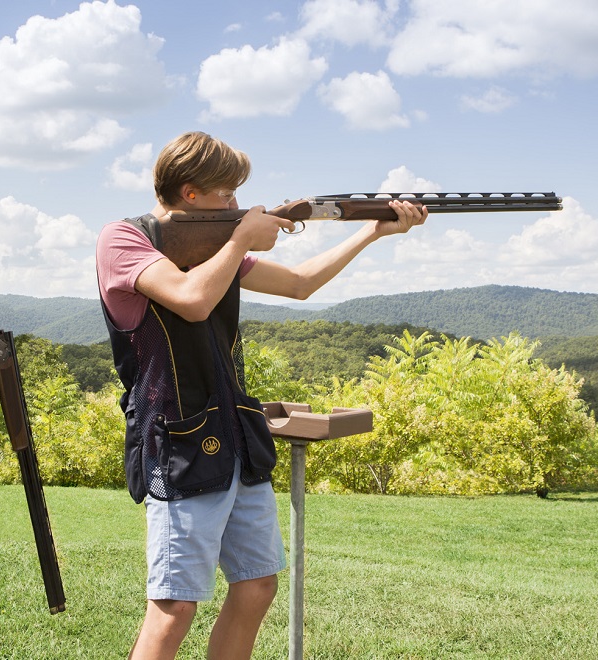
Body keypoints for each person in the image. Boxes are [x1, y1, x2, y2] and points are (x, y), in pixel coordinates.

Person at [96, 131, 427, 659]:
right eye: (227, 195)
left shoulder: (217, 247)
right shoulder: (124, 238)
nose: (236, 205)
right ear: (190, 194)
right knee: (175, 604)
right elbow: (192, 299)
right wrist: (240, 239)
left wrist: (371, 233)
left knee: (256, 584)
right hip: (176, 443)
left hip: (234, 436)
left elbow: (299, 283)